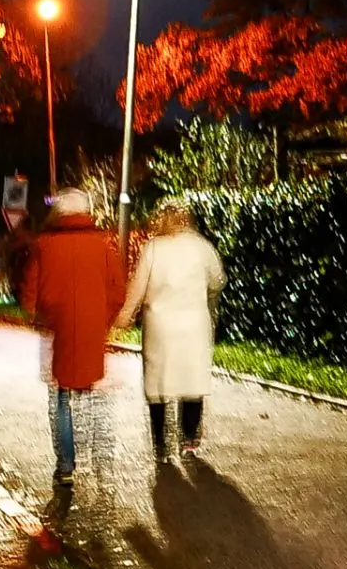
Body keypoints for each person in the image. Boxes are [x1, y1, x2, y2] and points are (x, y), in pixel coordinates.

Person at [22, 188, 127, 496]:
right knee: (92, 394)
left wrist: (40, 314)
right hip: (92, 330)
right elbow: (117, 289)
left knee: (61, 398)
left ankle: (66, 465)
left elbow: (31, 292)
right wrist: (102, 319)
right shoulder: (103, 246)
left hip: (56, 332)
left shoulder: (43, 245)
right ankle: (100, 461)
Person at [121, 198, 226, 466]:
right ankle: (189, 439)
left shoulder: (153, 248)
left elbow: (138, 287)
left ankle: (160, 443)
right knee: (191, 382)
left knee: (158, 385)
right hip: (194, 325)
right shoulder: (202, 248)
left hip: (160, 327)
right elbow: (218, 280)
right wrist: (207, 296)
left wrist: (125, 315)